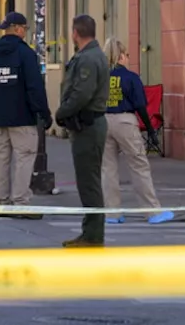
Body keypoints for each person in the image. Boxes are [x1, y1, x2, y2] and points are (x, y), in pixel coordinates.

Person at [0, 11, 50, 215]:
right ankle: (20, 202)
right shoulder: (26, 54)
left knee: (1, 159)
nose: (25, 33)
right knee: (24, 158)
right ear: (18, 29)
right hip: (22, 117)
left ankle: (0, 200)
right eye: (25, 29)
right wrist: (44, 113)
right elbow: (35, 87)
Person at [102, 38, 174, 225]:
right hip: (125, 120)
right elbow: (141, 106)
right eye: (127, 55)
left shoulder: (100, 76)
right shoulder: (131, 77)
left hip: (103, 121)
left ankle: (112, 213)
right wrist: (150, 130)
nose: (128, 58)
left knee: (108, 169)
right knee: (139, 165)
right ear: (120, 57)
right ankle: (152, 211)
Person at [55, 14, 109, 248]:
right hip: (86, 125)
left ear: (75, 33)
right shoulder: (89, 55)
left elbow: (81, 94)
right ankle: (90, 231)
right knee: (88, 181)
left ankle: (93, 235)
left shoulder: (88, 58)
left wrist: (62, 112)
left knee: (89, 183)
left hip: (88, 125)